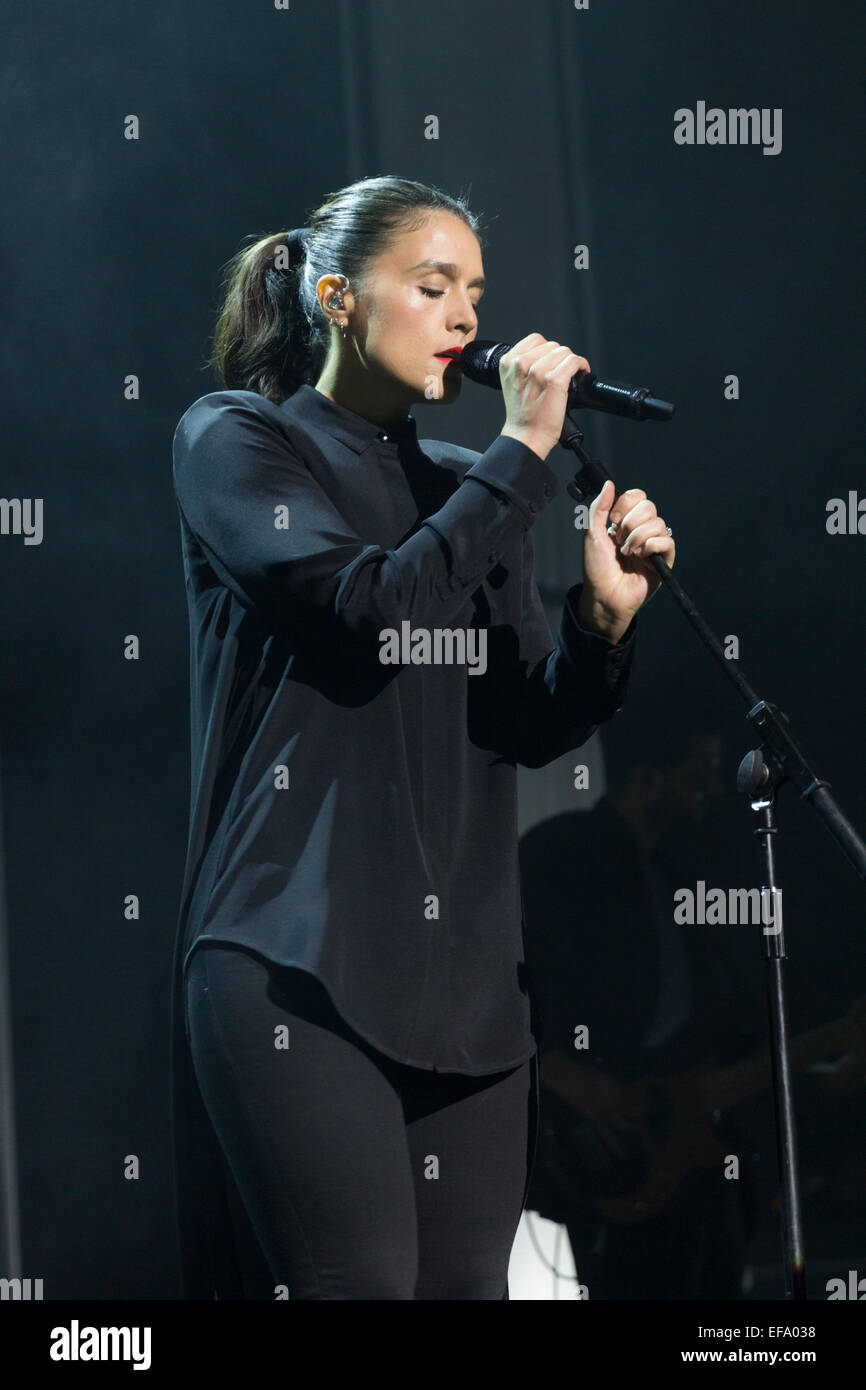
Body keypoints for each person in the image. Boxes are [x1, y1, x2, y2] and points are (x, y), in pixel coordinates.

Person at [168, 174, 675, 1300]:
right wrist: (523, 457)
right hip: (297, 961)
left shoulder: (462, 485)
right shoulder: (239, 442)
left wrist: (601, 619)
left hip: (467, 996)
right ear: (339, 299)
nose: (465, 318)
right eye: (432, 285)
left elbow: (524, 722)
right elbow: (366, 615)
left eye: (475, 292)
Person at [519, 674, 764, 1297]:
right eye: (701, 768)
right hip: (606, 1147)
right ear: (650, 775)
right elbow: (494, 990)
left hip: (684, 1146)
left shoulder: (679, 874)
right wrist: (562, 1073)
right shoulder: (560, 855)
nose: (712, 787)